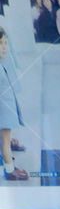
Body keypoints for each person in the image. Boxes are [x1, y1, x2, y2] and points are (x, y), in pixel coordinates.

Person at [0, 28, 27, 181]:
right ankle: (9, 170)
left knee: (5, 140)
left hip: (6, 110)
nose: (4, 47)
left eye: (5, 43)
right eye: (0, 44)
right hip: (4, 112)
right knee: (5, 142)